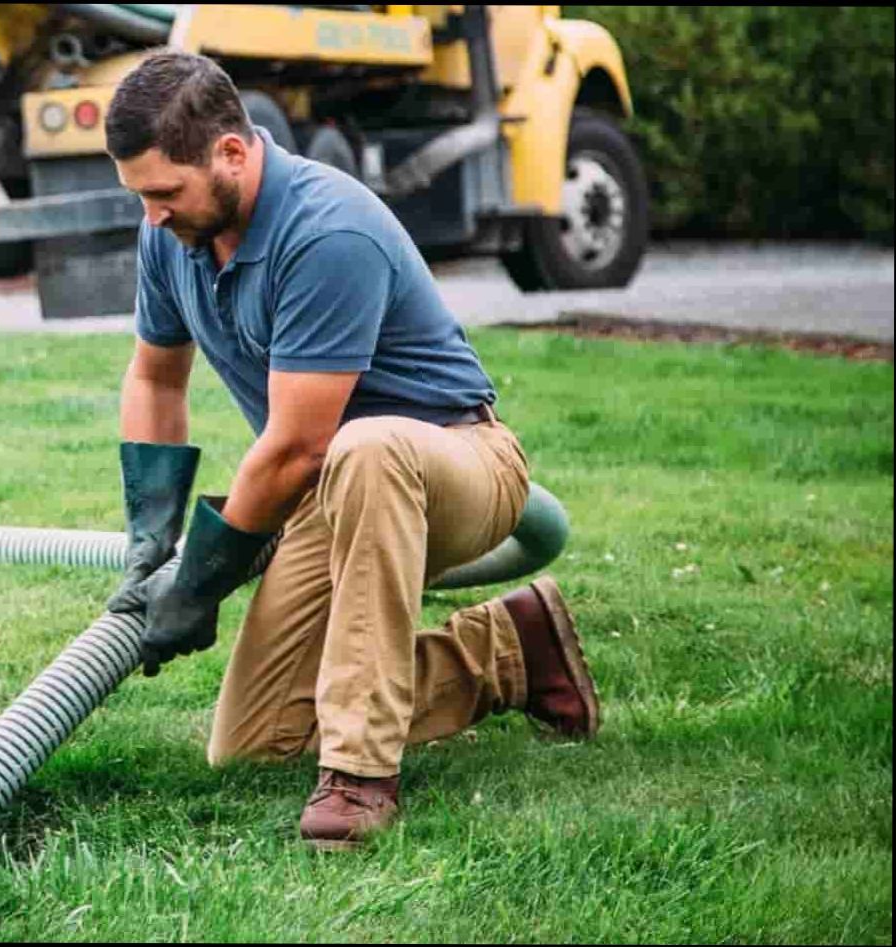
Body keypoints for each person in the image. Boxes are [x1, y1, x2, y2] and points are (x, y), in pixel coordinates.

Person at [101, 51, 600, 851]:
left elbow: (300, 443)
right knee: (254, 743)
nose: (153, 214)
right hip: (329, 493)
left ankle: (362, 774)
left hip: (454, 461)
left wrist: (201, 581)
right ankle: (508, 651)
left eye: (165, 192)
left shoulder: (327, 229)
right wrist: (151, 536)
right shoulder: (171, 232)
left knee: (364, 447)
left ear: (232, 152)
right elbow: (156, 378)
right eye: (141, 196)